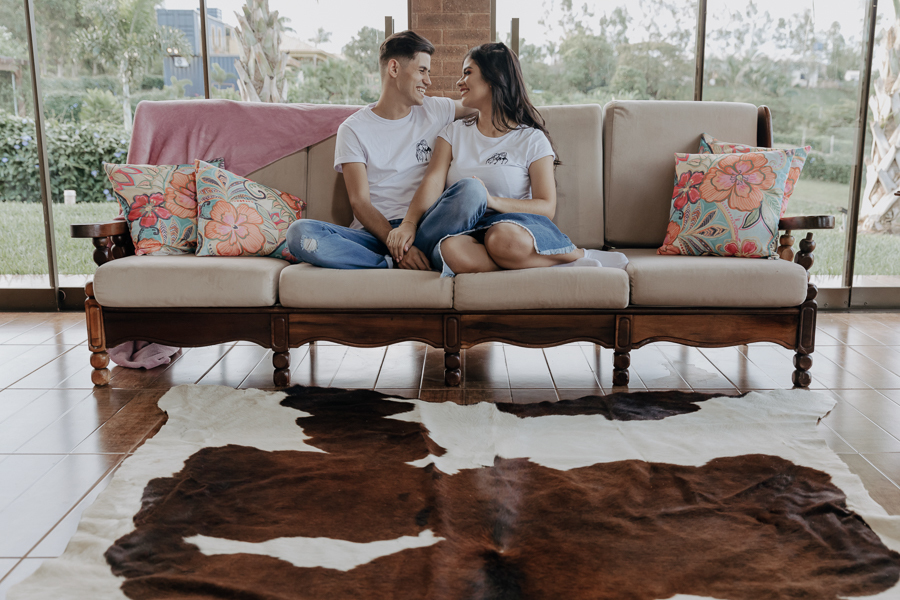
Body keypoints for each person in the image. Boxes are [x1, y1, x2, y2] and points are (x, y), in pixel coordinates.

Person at [385, 42, 627, 276]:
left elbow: (546, 207)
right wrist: (409, 224)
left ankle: (575, 255)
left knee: (500, 237)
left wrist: (491, 201)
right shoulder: (452, 132)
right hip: (465, 232)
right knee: (451, 249)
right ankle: (546, 264)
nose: (459, 82)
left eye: (467, 73)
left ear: (493, 78)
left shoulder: (531, 139)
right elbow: (432, 182)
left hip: (515, 228)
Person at [286, 31, 483, 271]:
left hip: (425, 227)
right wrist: (395, 243)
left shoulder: (435, 109)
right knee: (299, 233)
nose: (428, 81)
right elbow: (360, 203)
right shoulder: (353, 128)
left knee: (472, 191)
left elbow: (481, 104)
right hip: (374, 236)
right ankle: (394, 261)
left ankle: (398, 258)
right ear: (394, 68)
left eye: (428, 72)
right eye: (422, 71)